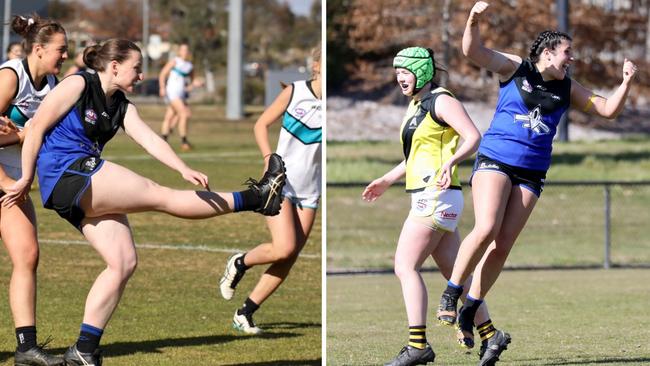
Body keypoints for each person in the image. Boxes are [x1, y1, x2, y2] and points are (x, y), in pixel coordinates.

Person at [1, 39, 287, 365]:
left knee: (123, 261)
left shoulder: (122, 104)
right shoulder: (79, 83)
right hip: (66, 174)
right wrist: (25, 177)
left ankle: (84, 348)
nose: (140, 76)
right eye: (136, 68)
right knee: (157, 194)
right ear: (114, 66)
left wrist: (183, 167)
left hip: (76, 184)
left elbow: (150, 139)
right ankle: (256, 197)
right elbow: (36, 127)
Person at [437, 2, 638, 365]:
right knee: (485, 228)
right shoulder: (516, 68)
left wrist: (626, 83)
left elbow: (608, 110)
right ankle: (451, 292)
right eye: (567, 52)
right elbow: (473, 51)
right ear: (548, 52)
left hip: (532, 172)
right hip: (496, 159)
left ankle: (471, 307)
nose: (571, 59)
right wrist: (472, 20)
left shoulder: (567, 87)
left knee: (503, 244)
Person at [360, 46, 489, 366]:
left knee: (405, 266)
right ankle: (490, 334)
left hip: (436, 195)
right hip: (433, 196)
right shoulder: (417, 105)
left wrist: (452, 162)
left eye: (405, 72)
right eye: (397, 73)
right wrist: (387, 180)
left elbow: (473, 136)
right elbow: (414, 158)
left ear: (422, 72)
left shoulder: (441, 100)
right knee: (455, 272)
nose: (400, 78)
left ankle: (417, 345)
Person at [218, 44, 322, 334]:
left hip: (310, 191)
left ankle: (245, 313)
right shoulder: (295, 91)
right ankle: (239, 262)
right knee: (284, 246)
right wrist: (268, 160)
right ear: (316, 68)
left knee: (289, 256)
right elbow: (261, 125)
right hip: (280, 184)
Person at [0, 14, 67, 366]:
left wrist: (19, 137)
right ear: (39, 49)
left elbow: (42, 135)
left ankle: (26, 348)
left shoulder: (52, 85)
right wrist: (20, 138)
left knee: (27, 255)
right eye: (61, 49)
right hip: (5, 181)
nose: (65, 56)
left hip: (12, 183)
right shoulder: (11, 76)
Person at [158, 42, 194, 151]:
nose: (184, 52)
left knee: (170, 116)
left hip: (181, 94)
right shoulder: (174, 61)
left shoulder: (189, 65)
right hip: (172, 92)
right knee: (185, 114)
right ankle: (184, 142)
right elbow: (163, 74)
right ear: (179, 51)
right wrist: (162, 87)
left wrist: (192, 86)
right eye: (182, 50)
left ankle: (163, 140)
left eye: (186, 50)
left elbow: (192, 80)